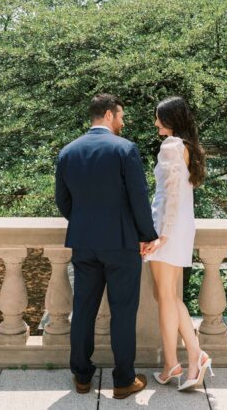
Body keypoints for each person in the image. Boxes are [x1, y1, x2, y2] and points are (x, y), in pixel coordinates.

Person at [55, 93, 159, 400]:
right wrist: (148, 235)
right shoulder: (125, 149)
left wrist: (84, 222)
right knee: (123, 312)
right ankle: (124, 379)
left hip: (84, 243)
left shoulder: (68, 151)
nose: (123, 122)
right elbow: (139, 199)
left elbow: (63, 200)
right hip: (122, 243)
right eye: (122, 116)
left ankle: (82, 377)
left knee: (83, 309)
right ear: (110, 115)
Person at [143, 96, 213, 392]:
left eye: (159, 117)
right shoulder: (189, 147)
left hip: (168, 229)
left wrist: (161, 235)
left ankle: (176, 361)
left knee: (166, 296)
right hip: (181, 227)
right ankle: (192, 355)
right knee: (168, 296)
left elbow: (169, 196)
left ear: (170, 119)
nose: (156, 122)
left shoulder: (171, 146)